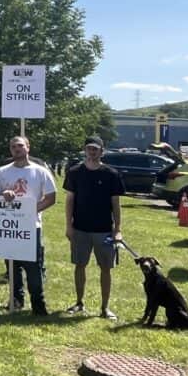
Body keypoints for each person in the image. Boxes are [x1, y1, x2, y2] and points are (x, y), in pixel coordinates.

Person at [0, 135, 57, 316]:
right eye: (13, 147)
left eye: (20, 145)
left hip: (31, 226)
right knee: (12, 265)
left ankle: (38, 304)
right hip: (9, 226)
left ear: (28, 147)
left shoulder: (40, 171)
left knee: (33, 266)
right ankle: (16, 300)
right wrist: (3, 194)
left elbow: (51, 197)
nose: (16, 149)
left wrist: (33, 209)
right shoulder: (3, 172)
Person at [64, 135, 125, 320]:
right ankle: (79, 302)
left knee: (105, 268)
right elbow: (69, 201)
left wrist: (118, 229)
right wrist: (69, 226)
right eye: (89, 148)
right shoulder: (74, 172)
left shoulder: (111, 174)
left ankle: (105, 308)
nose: (92, 152)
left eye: (95, 149)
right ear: (85, 150)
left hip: (104, 230)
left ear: (102, 151)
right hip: (80, 229)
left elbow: (116, 204)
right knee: (79, 265)